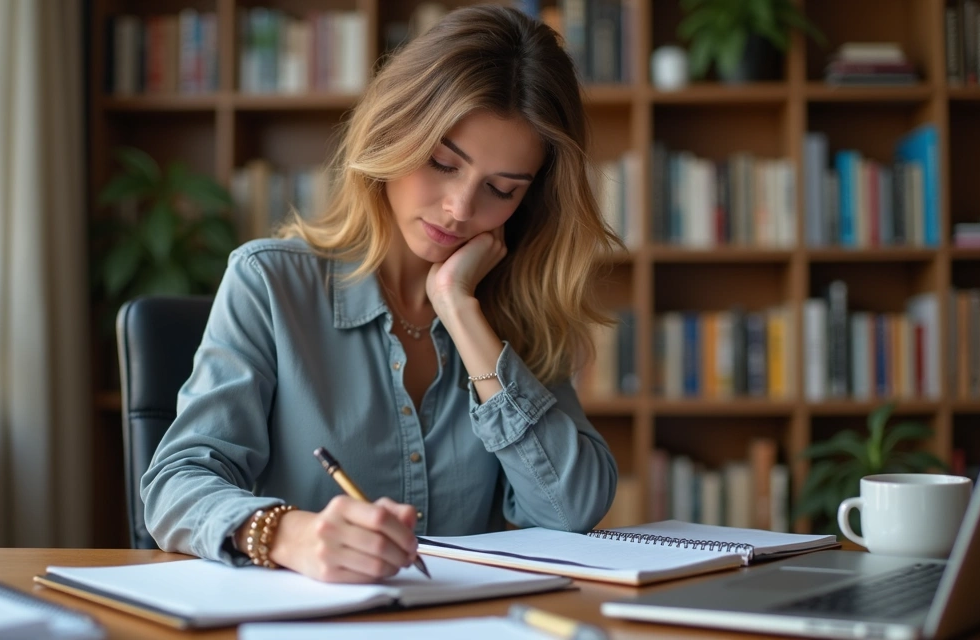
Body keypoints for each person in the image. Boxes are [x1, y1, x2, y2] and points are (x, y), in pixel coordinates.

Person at [141, 4, 622, 584]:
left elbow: (570, 509)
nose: (461, 209)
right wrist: (292, 535)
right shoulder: (269, 284)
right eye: (443, 163)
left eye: (500, 189)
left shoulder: (517, 314)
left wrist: (462, 312)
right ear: (395, 133)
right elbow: (176, 483)